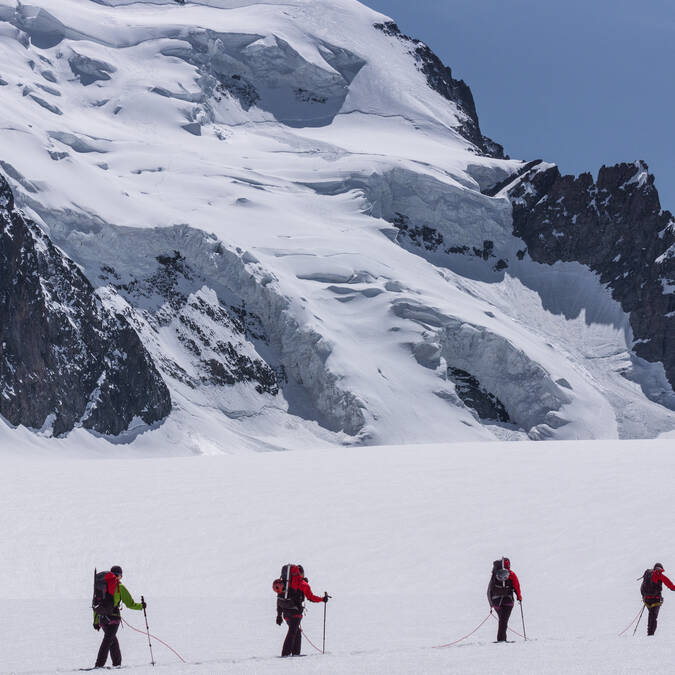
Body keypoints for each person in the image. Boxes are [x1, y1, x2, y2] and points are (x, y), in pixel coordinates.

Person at [93, 565, 146, 668]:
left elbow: (96, 604)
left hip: (102, 619)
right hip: (113, 618)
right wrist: (141, 606)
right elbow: (130, 604)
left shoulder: (101, 587)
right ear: (119, 576)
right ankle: (99, 665)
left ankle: (117, 664)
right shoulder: (120, 587)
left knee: (112, 640)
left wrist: (95, 621)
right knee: (108, 640)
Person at [275, 564, 327, 657]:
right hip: (295, 613)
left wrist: (279, 615)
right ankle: (285, 654)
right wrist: (322, 599)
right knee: (293, 631)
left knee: (296, 632)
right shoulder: (302, 584)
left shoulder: (284, 584)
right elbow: (311, 597)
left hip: (286, 614)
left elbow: (279, 600)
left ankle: (296, 654)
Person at [487, 557, 522, 642]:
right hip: (508, 601)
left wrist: (491, 604)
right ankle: (501, 640)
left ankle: (502, 640)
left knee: (502, 620)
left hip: (496, 602)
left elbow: (489, 591)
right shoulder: (511, 574)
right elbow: (516, 586)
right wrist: (519, 597)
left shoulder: (494, 575)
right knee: (503, 620)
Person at [641, 563, 675, 636]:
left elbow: (642, 588)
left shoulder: (648, 575)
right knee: (653, 615)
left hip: (647, 599)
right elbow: (672, 587)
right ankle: (651, 633)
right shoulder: (660, 576)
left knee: (651, 614)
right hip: (656, 600)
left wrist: (644, 596)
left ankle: (650, 632)